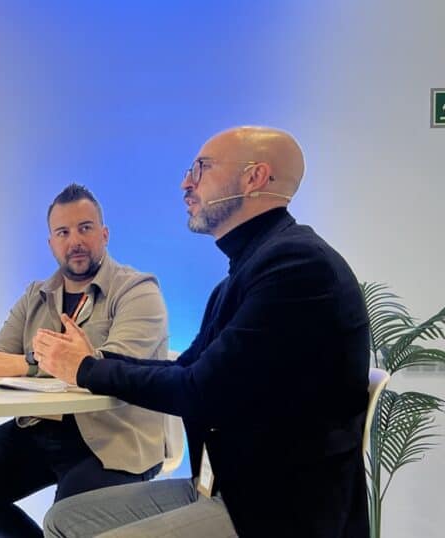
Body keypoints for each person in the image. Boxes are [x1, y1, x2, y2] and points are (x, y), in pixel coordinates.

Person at [40, 127, 370, 537]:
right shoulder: (246, 272)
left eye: (201, 168)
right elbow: (186, 369)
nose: (186, 183)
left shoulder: (297, 267)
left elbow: (198, 391)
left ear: (254, 177)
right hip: (224, 484)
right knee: (62, 519)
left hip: (276, 507)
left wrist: (86, 369)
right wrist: (94, 361)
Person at [0, 184, 171, 537]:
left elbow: (113, 367)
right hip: (40, 426)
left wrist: (29, 364)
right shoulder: (36, 294)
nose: (74, 240)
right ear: (51, 243)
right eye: (63, 232)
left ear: (105, 234)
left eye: (85, 228)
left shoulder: (137, 290)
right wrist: (30, 362)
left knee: (65, 518)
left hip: (114, 435)